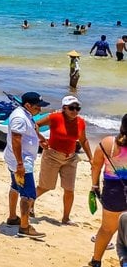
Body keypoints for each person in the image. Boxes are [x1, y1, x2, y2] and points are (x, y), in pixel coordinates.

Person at [34, 95, 93, 223]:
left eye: (78, 108)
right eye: (72, 108)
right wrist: (40, 139)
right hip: (52, 156)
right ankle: (29, 203)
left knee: (69, 189)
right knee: (45, 186)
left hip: (70, 158)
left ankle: (66, 218)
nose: (75, 111)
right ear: (64, 108)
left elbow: (83, 140)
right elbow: (35, 125)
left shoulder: (81, 122)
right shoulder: (55, 117)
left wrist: (91, 158)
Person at [3, 91, 49, 238]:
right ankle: (24, 227)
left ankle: (12, 217)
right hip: (21, 161)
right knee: (28, 194)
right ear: (28, 105)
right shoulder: (19, 118)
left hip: (18, 160)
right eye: (37, 107)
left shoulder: (26, 114)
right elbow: (16, 139)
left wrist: (40, 138)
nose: (40, 110)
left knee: (15, 187)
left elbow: (32, 128)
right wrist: (20, 164)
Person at [87, 113, 127, 267]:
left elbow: (95, 166)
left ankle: (96, 261)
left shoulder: (107, 143)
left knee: (107, 229)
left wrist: (95, 186)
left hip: (114, 192)